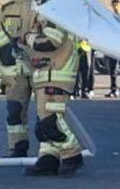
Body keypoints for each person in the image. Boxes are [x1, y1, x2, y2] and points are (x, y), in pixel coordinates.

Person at [24, 15, 84, 175]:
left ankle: (72, 154)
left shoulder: (55, 14)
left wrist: (28, 38)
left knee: (51, 120)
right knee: (44, 119)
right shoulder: (49, 13)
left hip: (57, 75)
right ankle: (48, 159)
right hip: (48, 74)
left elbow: (51, 41)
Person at [0, 0, 37, 156]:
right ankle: (18, 148)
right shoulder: (6, 10)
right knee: (14, 112)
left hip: (40, 70)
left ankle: (51, 153)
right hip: (15, 75)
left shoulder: (43, 9)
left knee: (47, 115)